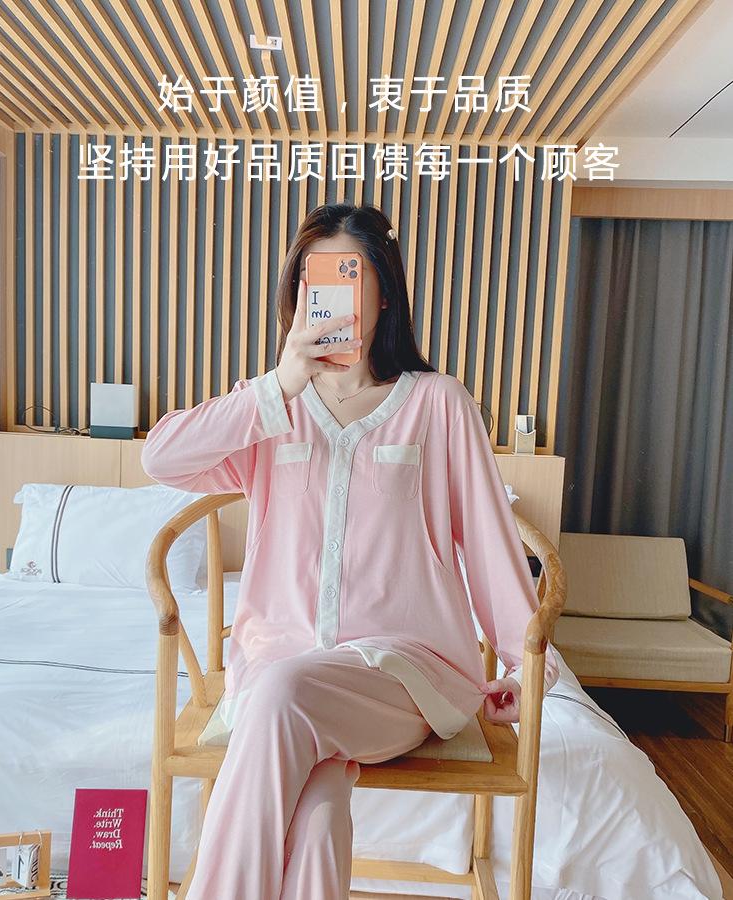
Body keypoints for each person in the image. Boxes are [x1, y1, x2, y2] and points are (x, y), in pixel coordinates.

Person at [141, 202, 560, 899]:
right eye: (314, 279)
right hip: (282, 665)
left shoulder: (438, 404)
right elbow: (161, 458)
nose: (330, 294)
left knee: (283, 697)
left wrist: (525, 662)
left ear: (383, 294)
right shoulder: (270, 410)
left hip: (402, 672)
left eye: (350, 275)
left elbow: (490, 539)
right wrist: (277, 386)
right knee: (317, 806)